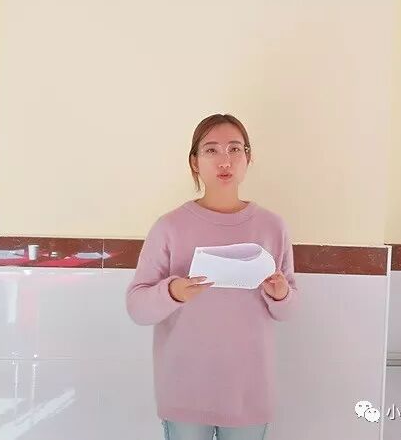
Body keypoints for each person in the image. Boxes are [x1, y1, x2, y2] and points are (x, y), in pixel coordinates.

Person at [126, 113, 298, 440]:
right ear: (195, 162)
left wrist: (280, 294)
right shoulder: (170, 227)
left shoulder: (272, 227)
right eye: (211, 150)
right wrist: (173, 292)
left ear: (248, 157)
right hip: (184, 390)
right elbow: (137, 307)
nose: (225, 160)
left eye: (234, 149)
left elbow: (288, 310)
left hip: (249, 391)